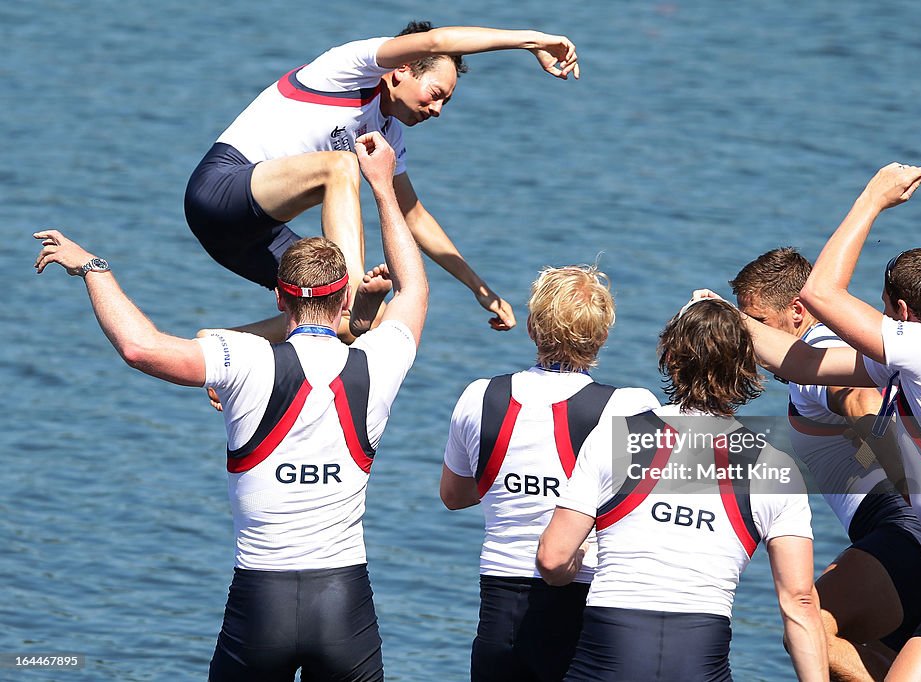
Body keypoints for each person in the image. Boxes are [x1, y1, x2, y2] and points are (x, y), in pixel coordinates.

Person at [36, 131, 427, 681]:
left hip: (259, 604)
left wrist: (94, 268)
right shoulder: (378, 362)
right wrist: (384, 189)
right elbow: (413, 291)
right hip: (344, 607)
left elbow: (141, 347)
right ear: (343, 300)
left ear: (278, 297)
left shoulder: (244, 358)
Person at [733, 163, 921, 681]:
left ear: (903, 312)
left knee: (813, 626)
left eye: (886, 312)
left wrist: (873, 198)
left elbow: (822, 298)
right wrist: (723, 320)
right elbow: (797, 362)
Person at [185, 20, 580, 338]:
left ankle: (226, 343)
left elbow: (414, 215)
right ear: (402, 70)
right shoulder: (349, 68)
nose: (438, 109)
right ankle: (350, 292)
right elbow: (436, 41)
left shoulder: (389, 135)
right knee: (340, 166)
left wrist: (479, 288)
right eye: (435, 93)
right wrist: (533, 41)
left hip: (252, 236)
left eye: (446, 102)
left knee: (360, 324)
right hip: (220, 189)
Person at [537, 298, 828, 682]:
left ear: (671, 357)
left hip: (609, 652)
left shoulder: (616, 436)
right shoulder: (775, 467)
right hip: (699, 657)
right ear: (745, 367)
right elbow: (800, 601)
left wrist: (572, 567)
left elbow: (553, 559)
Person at [440, 264, 659, 681]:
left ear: (530, 327)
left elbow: (454, 495)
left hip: (499, 612)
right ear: (602, 336)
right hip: (582, 607)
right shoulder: (631, 407)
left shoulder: (479, 395)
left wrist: (510, 478)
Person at [731, 247, 921, 680]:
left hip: (900, 528)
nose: (750, 341)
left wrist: (906, 485)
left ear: (797, 311)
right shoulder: (843, 349)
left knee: (808, 629)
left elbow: (862, 402)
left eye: (757, 323)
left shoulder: (818, 355)